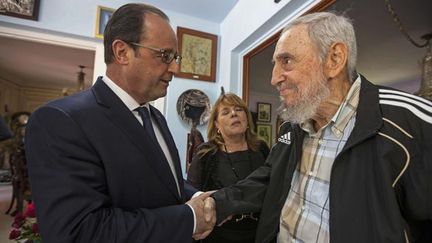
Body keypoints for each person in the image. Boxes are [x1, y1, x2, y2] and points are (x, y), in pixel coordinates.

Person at [210, 12, 432, 243]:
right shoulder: (292, 125)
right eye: (275, 64)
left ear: (334, 59)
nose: (274, 78)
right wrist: (220, 203)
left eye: (286, 61)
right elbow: (271, 176)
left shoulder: (414, 124)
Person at [25, 3, 215, 243]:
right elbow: (78, 232)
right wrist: (190, 218)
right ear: (122, 52)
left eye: (174, 57)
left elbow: (166, 183)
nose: (175, 68)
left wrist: (201, 197)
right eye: (165, 55)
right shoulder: (61, 121)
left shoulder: (154, 116)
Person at [187, 93, 269, 243]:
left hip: (259, 233)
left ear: (247, 118)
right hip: (220, 235)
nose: (234, 113)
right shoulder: (206, 153)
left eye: (239, 109)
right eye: (226, 112)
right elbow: (193, 194)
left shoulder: (262, 148)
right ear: (217, 124)